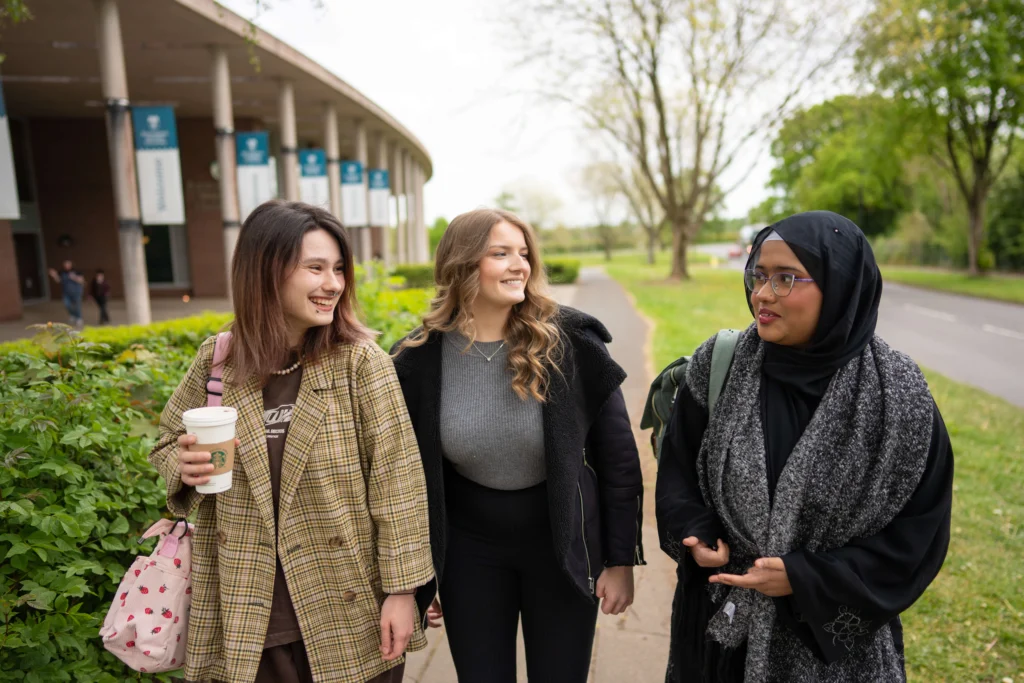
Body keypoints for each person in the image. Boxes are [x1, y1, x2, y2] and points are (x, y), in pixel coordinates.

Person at [655, 210, 954, 682]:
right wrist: (696, 531)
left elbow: (919, 533)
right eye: (758, 275)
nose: (762, 294)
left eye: (786, 278)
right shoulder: (720, 365)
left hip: (835, 659)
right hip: (721, 636)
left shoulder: (898, 396)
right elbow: (678, 468)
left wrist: (805, 578)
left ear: (840, 286)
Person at [148, 201, 434, 683]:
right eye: (315, 268)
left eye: (339, 269)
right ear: (264, 271)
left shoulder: (359, 363)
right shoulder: (220, 359)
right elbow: (167, 443)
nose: (333, 284)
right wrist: (184, 465)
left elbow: (398, 485)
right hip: (243, 610)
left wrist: (403, 592)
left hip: (346, 608)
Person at [391, 208, 646, 683]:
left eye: (524, 253)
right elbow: (403, 480)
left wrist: (619, 559)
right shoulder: (416, 359)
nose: (519, 266)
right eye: (500, 253)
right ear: (461, 264)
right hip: (469, 551)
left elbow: (618, 460)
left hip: (562, 546)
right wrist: (417, 576)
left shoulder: (572, 341)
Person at [49, 259, 85, 327]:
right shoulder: (62, 272)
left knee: (77, 306)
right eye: (65, 264)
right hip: (66, 293)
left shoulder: (77, 271)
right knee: (67, 305)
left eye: (68, 264)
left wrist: (74, 277)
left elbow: (82, 281)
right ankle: (73, 315)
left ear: (71, 265)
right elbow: (58, 280)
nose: (66, 266)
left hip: (76, 292)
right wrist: (55, 275)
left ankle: (79, 318)